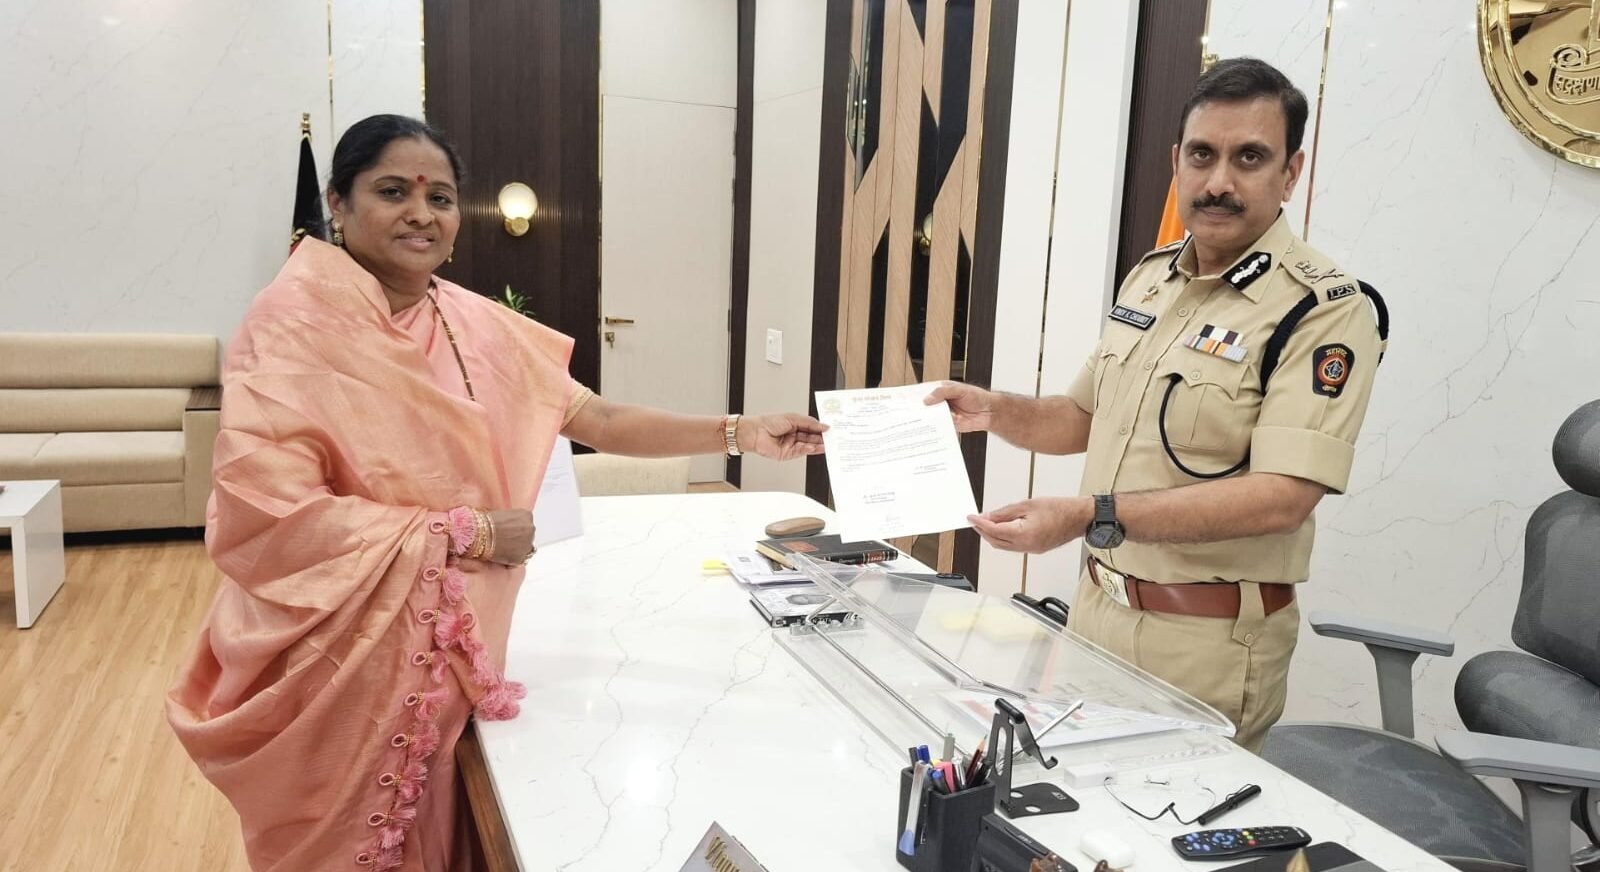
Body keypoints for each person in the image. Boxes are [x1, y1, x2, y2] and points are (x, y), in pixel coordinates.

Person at [166, 114, 826, 871]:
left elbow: (600, 419)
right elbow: (266, 516)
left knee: (457, 823)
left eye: (440, 198)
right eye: (393, 191)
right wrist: (470, 531)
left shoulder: (473, 324)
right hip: (337, 660)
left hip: (448, 643)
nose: (421, 213)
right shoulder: (288, 327)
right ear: (337, 204)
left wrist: (741, 431)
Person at [929, 58, 1385, 752]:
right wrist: (993, 409)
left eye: (1249, 157)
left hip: (1205, 644)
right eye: (1202, 155)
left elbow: (1282, 499)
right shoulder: (1151, 279)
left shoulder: (1323, 310)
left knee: (1175, 821)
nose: (1219, 181)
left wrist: (1091, 515)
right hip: (1096, 616)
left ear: (1291, 173)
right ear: (1177, 162)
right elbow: (1082, 417)